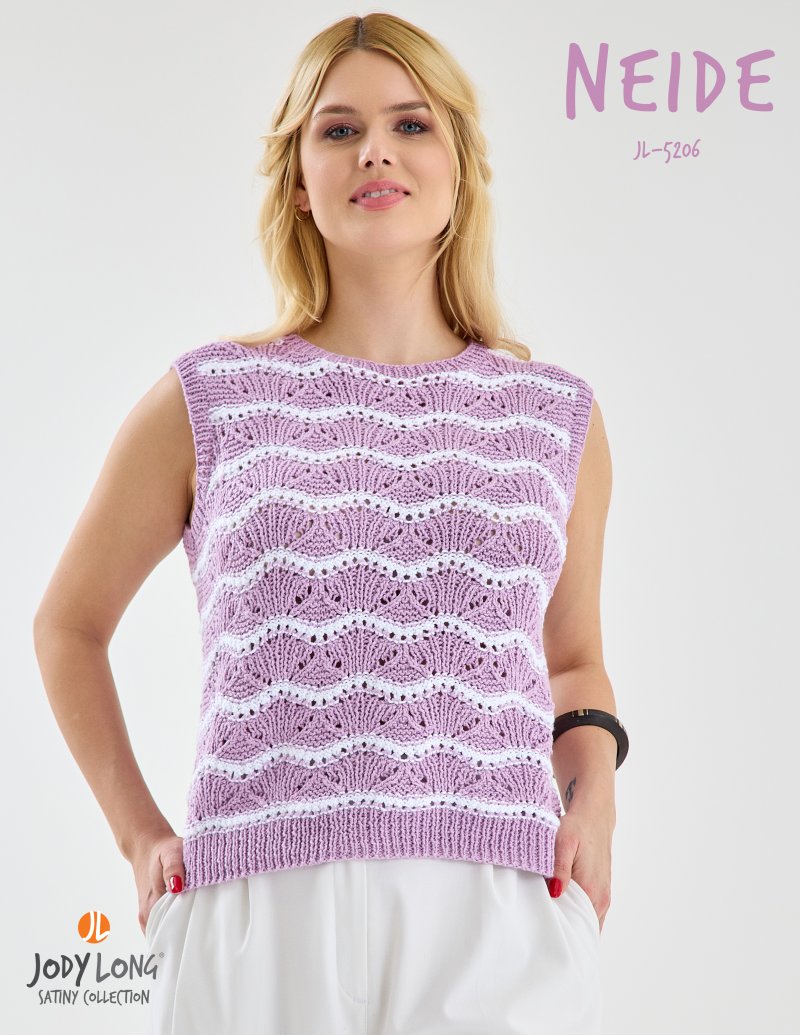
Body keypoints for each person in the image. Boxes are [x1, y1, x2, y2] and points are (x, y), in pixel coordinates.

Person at [33, 12, 626, 1034]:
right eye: (339, 129)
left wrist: (596, 804)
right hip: (257, 903)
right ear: (300, 181)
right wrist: (139, 837)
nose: (376, 151)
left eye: (411, 124)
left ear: (457, 167)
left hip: (495, 904)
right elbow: (67, 626)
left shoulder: (554, 417)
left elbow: (573, 661)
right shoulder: (207, 399)